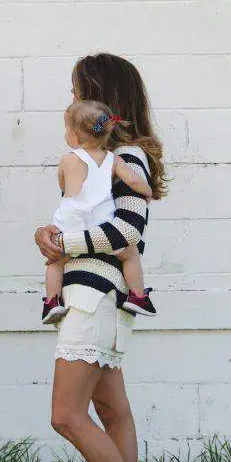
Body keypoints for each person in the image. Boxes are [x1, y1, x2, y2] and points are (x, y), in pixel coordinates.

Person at [33, 53, 169, 462]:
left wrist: (62, 245)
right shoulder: (99, 161)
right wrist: (48, 234)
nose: (72, 103)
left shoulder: (124, 157)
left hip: (95, 295)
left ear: (100, 99)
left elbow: (127, 231)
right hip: (96, 295)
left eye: (76, 93)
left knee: (66, 414)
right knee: (113, 413)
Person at [42, 99, 158, 325]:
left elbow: (63, 185)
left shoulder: (68, 159)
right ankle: (137, 296)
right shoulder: (114, 159)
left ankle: (52, 302)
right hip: (99, 225)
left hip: (70, 225)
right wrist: (148, 191)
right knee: (130, 254)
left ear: (74, 136)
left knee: (55, 263)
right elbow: (134, 181)